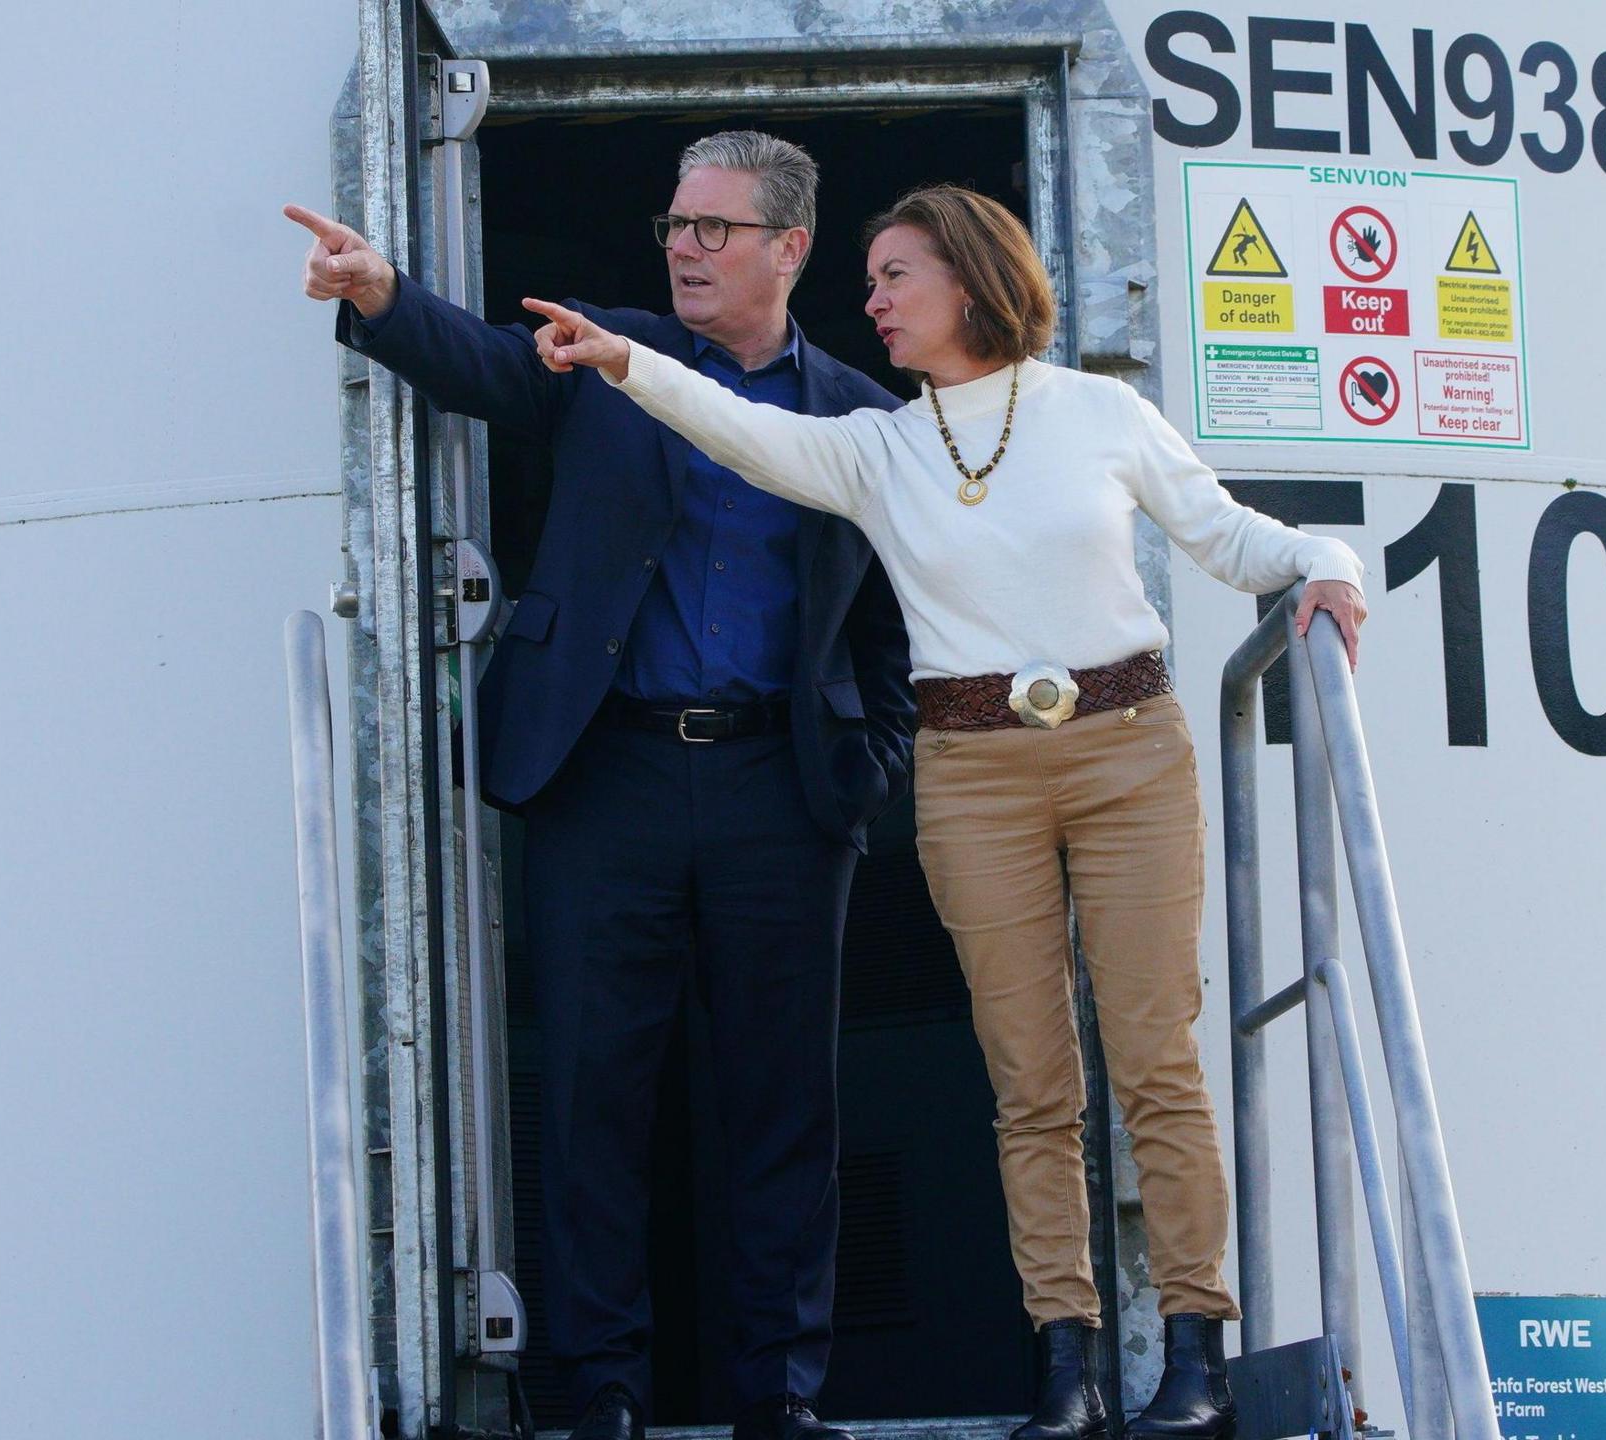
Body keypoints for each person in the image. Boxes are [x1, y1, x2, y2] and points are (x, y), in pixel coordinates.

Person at [519, 183, 1368, 1440]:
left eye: (891, 277)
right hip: (971, 768)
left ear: (966, 280)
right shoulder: (878, 445)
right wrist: (626, 359)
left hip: (1129, 752)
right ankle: (1064, 1367)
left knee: (1156, 1060)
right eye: (866, 281)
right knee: (1029, 1082)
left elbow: (1233, 539)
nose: (869, 303)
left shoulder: (1099, 412)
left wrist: (1331, 568)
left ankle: (1195, 1354)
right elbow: (736, 428)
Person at [285, 132, 914, 1440]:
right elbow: (489, 366)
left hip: (783, 797)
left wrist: (868, 771)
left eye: (713, 231)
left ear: (789, 247)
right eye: (675, 226)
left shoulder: (864, 416)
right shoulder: (615, 349)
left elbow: (896, 628)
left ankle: (779, 1401)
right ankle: (602, 1398)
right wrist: (384, 293)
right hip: (606, 777)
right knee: (588, 1105)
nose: (683, 249)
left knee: (785, 1113)